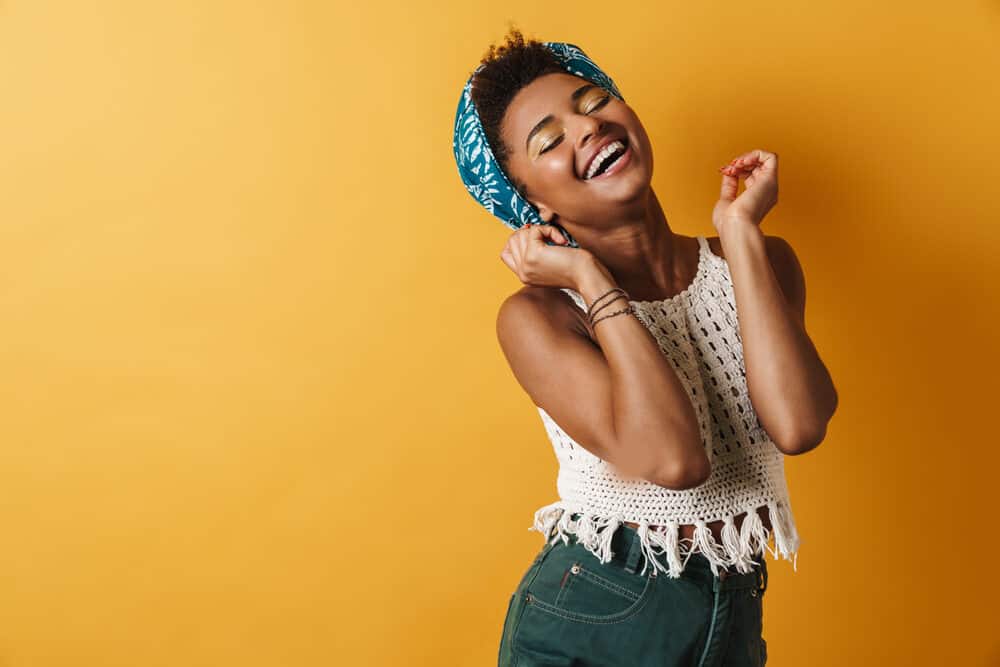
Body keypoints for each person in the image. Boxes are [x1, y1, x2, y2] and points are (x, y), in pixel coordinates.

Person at [452, 27, 838, 667]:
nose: (587, 129)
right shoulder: (538, 318)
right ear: (529, 203)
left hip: (732, 609)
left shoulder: (763, 261)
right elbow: (674, 460)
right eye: (548, 141)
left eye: (593, 102)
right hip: (595, 616)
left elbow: (798, 425)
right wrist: (587, 276)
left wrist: (739, 233)